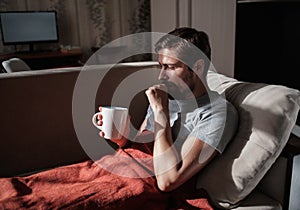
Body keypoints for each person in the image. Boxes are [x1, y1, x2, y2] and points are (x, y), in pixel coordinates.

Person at [96, 27, 238, 192]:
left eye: (170, 67)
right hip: (115, 169)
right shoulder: (164, 98)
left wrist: (160, 113)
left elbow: (167, 182)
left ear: (198, 67)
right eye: (161, 66)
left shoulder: (218, 113)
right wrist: (123, 139)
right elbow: (144, 153)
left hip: (144, 186)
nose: (161, 76)